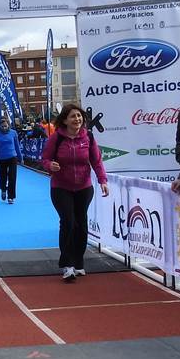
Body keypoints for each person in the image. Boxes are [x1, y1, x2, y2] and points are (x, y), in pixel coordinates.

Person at [43, 103, 110, 282]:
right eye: (73, 116)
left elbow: (96, 160)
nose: (77, 119)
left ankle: (79, 261)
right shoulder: (56, 138)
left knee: (81, 224)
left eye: (79, 116)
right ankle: (67, 264)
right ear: (65, 120)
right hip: (61, 187)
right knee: (68, 222)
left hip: (84, 187)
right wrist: (50, 165)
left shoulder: (88, 136)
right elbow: (45, 159)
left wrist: (102, 180)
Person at [0, 116, 21, 202]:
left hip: (12, 157)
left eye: (5, 126)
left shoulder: (13, 133)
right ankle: (3, 190)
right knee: (3, 176)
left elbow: (17, 146)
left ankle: (11, 196)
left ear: (8, 125)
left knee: (12, 177)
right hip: (1, 158)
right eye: (2, 126)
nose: (4, 128)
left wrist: (20, 157)